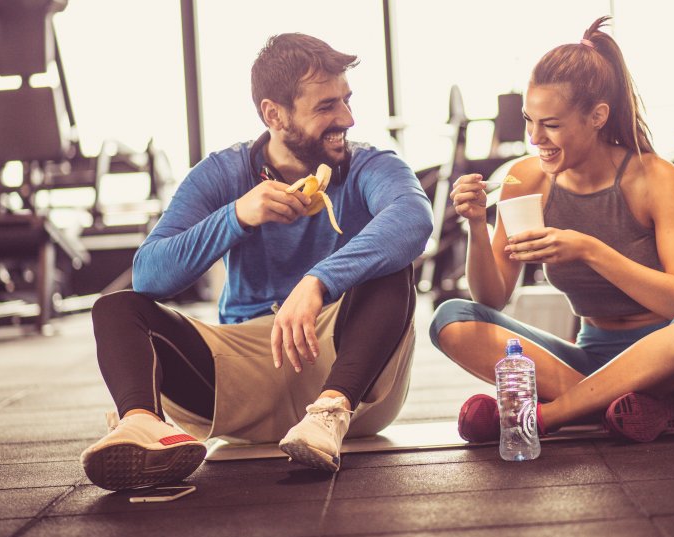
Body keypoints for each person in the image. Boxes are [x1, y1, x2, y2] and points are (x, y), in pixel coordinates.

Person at [80, 33, 433, 489]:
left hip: (348, 380)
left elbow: (413, 218)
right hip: (243, 374)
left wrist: (318, 281)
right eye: (327, 106)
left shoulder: (369, 164)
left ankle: (328, 413)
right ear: (274, 114)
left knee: (391, 266)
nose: (347, 117)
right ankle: (144, 425)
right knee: (116, 308)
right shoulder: (223, 173)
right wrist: (237, 215)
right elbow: (149, 274)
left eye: (346, 100)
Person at [430, 16, 674, 444]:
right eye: (529, 120)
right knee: (452, 318)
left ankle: (549, 416)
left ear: (597, 116)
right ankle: (615, 407)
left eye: (551, 124)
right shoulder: (525, 178)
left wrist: (590, 250)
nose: (536, 138)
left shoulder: (655, 178)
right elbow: (491, 298)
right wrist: (477, 226)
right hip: (591, 360)